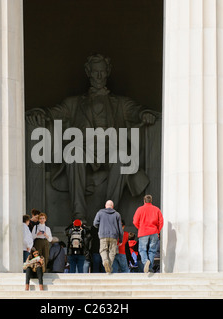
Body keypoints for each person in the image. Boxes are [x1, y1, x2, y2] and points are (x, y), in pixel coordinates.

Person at [26, 54, 158, 222]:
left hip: (111, 149)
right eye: (95, 72)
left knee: (121, 157)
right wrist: (41, 112)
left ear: (108, 72)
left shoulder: (121, 104)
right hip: (84, 148)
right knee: (74, 153)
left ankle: (109, 213)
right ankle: (78, 214)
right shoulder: (73, 103)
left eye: (102, 72)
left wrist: (145, 114)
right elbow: (54, 112)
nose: (99, 76)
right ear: (88, 72)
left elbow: (137, 111)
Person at [133, 194, 164, 273]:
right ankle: (149, 268)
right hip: (154, 232)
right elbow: (161, 222)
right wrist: (158, 230)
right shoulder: (156, 209)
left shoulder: (140, 209)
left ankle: (145, 261)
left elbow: (135, 221)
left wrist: (140, 228)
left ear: (144, 201)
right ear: (151, 201)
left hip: (143, 232)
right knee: (152, 251)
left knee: (142, 249)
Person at [93, 200, 123, 273]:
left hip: (103, 235)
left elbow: (95, 224)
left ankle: (105, 261)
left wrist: (101, 227)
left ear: (105, 206)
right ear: (112, 206)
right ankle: (109, 265)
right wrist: (121, 240)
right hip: (114, 236)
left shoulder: (100, 213)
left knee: (103, 250)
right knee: (112, 252)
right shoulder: (117, 214)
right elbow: (120, 229)